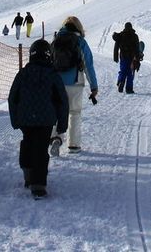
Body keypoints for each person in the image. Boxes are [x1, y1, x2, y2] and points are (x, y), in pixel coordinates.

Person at [8, 39, 69, 199]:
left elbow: (12, 98)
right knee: (41, 149)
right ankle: (38, 185)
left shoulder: (23, 73)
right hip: (46, 120)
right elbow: (62, 101)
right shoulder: (53, 75)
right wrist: (62, 124)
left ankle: (28, 174)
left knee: (28, 142)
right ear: (49, 56)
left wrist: (15, 119)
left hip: (25, 119)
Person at [51, 16, 99, 154]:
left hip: (57, 83)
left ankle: (56, 138)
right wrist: (94, 86)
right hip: (75, 82)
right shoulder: (80, 42)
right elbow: (88, 65)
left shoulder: (56, 40)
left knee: (57, 112)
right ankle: (73, 145)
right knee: (74, 113)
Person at [112, 22, 144, 94]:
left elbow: (116, 47)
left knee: (123, 70)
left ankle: (121, 81)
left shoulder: (121, 35)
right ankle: (129, 89)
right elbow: (136, 48)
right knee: (130, 73)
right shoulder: (135, 36)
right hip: (132, 58)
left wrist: (115, 57)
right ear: (131, 27)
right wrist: (137, 58)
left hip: (123, 56)